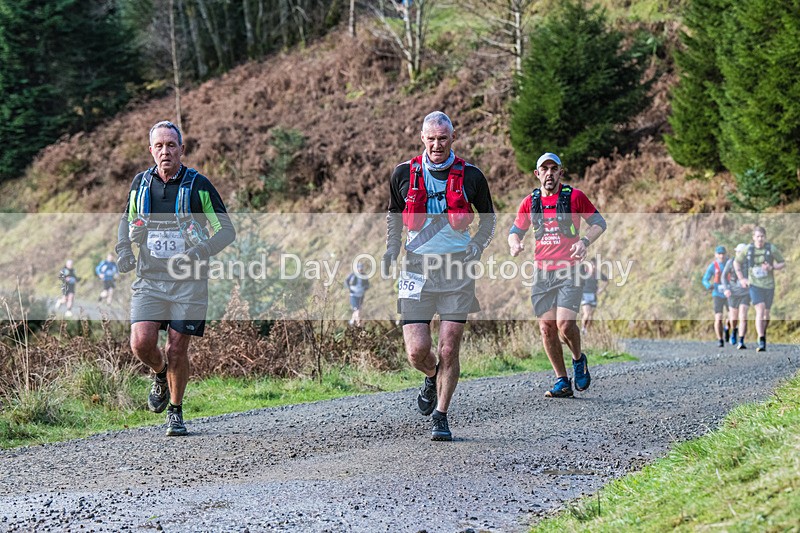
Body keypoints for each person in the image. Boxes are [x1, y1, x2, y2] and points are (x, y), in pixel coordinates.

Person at [115, 120, 235, 436]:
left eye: (171, 145)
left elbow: (226, 231)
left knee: (177, 350)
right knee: (141, 343)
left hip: (189, 282)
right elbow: (126, 219)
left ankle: (175, 412)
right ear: (151, 149)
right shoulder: (141, 183)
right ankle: (160, 373)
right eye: (159, 145)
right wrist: (123, 249)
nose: (165, 151)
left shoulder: (199, 185)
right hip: (150, 279)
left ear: (181, 148)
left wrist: (199, 252)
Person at [383, 111, 496, 441]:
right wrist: (391, 249)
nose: (437, 145)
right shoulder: (403, 173)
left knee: (449, 349)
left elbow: (488, 220)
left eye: (443, 138)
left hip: (457, 271)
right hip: (416, 268)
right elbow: (394, 213)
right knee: (417, 351)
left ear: (453, 138)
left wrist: (477, 246)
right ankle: (432, 376)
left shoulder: (472, 176)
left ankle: (441, 415)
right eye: (431, 139)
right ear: (422, 138)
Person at [508, 152, 606, 398]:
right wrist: (514, 243)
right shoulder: (530, 202)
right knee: (546, 328)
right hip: (542, 272)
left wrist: (584, 241)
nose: (549, 173)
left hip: (569, 270)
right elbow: (515, 231)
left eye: (554, 169)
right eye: (545, 169)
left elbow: (599, 223)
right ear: (537, 173)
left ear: (561, 172)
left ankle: (578, 359)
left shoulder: (575, 197)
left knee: (564, 324)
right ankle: (562, 381)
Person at [734, 226, 785, 352]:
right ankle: (761, 340)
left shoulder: (771, 248)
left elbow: (782, 263)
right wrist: (741, 279)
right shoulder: (748, 249)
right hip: (754, 285)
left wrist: (772, 267)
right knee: (760, 311)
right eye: (757, 236)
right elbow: (737, 262)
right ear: (753, 237)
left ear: (765, 237)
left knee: (766, 315)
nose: (760, 239)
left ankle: (762, 331)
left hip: (769, 285)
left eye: (762, 236)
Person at [722, 243, 750, 349]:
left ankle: (741, 341)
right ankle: (734, 330)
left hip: (745, 293)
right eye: (738, 252)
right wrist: (726, 289)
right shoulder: (731, 262)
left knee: (743, 316)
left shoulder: (749, 263)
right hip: (733, 293)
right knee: (733, 318)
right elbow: (723, 277)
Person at [702, 245, 730, 348]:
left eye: (723, 254)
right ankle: (720, 339)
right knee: (718, 318)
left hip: (729, 293)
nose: (721, 256)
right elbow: (705, 279)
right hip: (717, 294)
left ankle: (727, 328)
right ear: (716, 255)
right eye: (719, 254)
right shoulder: (713, 266)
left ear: (726, 254)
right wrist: (708, 285)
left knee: (732, 317)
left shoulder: (730, 264)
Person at [579, 261, 608, 334]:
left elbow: (606, 280)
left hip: (593, 295)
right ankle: (583, 328)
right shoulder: (584, 273)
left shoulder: (597, 273)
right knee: (587, 313)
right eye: (592, 265)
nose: (593, 267)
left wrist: (601, 289)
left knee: (591, 316)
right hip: (585, 294)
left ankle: (587, 331)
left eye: (595, 265)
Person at [345, 261, 370, 327]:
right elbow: (346, 281)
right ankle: (359, 325)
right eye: (359, 269)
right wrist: (349, 288)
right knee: (357, 310)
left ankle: (352, 321)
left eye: (362, 269)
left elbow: (367, 284)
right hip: (353, 295)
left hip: (361, 295)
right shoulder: (353, 275)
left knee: (358, 310)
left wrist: (365, 288)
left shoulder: (364, 275)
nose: (361, 270)